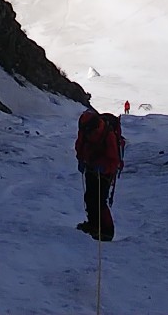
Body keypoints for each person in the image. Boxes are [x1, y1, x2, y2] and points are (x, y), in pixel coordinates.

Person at [74, 103, 126, 240]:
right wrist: (81, 159)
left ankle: (107, 232)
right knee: (90, 197)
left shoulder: (107, 135)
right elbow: (80, 145)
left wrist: (104, 169)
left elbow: (114, 160)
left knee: (99, 200)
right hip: (91, 166)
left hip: (105, 172)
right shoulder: (85, 131)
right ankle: (93, 225)